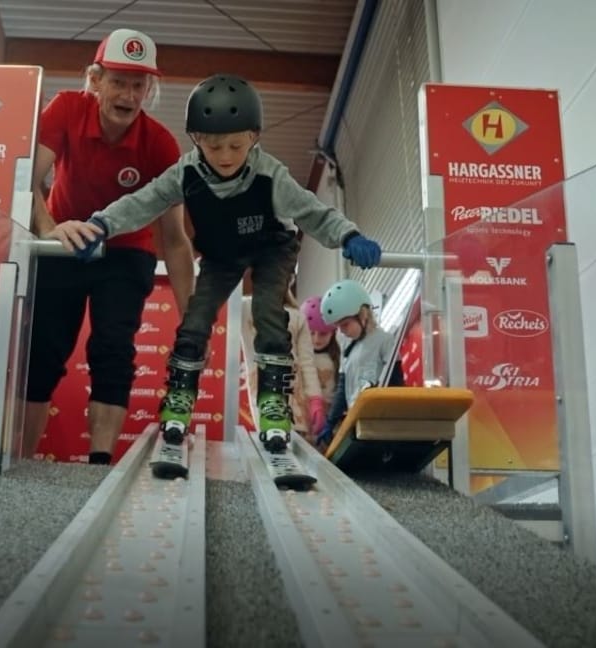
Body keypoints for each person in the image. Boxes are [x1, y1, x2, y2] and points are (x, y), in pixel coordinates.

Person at [70, 73, 382, 453]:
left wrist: (349, 236)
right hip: (221, 253)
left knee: (269, 313)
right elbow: (143, 201)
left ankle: (272, 405)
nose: (226, 157)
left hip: (272, 248)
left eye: (236, 145)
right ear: (196, 140)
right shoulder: (185, 173)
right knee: (195, 321)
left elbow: (313, 212)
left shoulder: (271, 174)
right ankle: (179, 403)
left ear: (254, 137)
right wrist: (102, 223)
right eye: (214, 147)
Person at [23, 28, 195, 463]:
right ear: (95, 80)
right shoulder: (64, 109)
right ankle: (19, 462)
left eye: (139, 85)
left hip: (125, 250)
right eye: (118, 81)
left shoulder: (160, 144)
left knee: (113, 349)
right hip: (64, 240)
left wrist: (193, 319)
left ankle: (100, 461)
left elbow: (174, 241)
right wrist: (48, 230)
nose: (129, 94)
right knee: (43, 351)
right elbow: (26, 181)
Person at [315, 279, 397, 451]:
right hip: (356, 421)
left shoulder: (385, 341)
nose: (342, 331)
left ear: (363, 314)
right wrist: (330, 422)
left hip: (380, 422)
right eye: (338, 327)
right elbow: (342, 389)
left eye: (345, 324)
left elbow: (397, 382)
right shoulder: (348, 348)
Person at [241, 283, 325, 444]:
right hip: (264, 394)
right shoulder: (245, 308)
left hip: (294, 401)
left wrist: (315, 399)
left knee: (287, 452)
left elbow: (307, 363)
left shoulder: (297, 316)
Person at [299, 295, 341, 420]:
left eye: (323, 334)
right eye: (311, 333)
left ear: (333, 333)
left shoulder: (337, 358)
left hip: (327, 418)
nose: (316, 339)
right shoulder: (299, 357)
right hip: (302, 417)